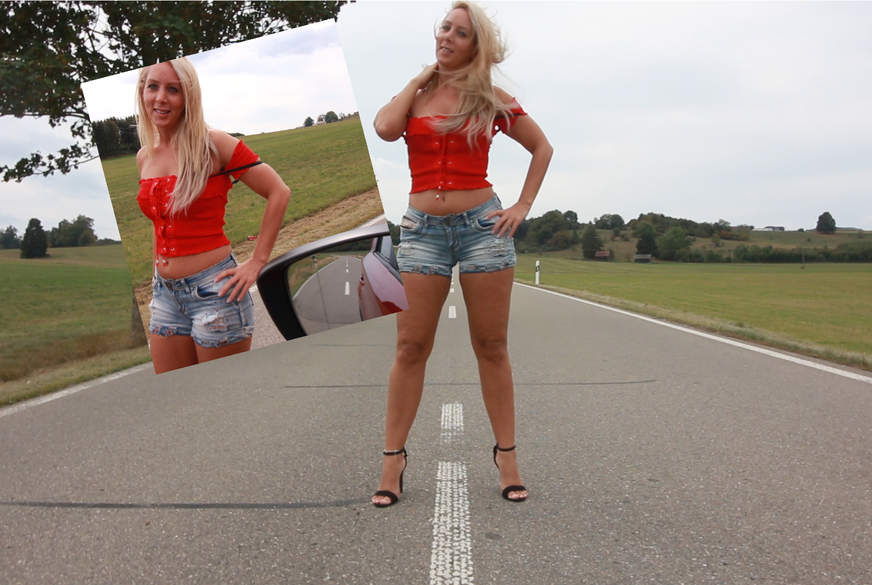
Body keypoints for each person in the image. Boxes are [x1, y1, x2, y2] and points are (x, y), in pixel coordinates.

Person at [370, 1, 553, 506]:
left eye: (461, 33)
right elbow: (385, 128)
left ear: (477, 46)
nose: (448, 36)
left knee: (491, 345)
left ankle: (507, 457)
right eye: (445, 28)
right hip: (422, 230)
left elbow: (542, 147)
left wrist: (522, 206)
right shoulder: (415, 97)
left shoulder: (490, 99)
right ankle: (393, 459)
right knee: (411, 347)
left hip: (482, 230)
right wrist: (421, 77)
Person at [135, 58, 290, 373]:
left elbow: (279, 191)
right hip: (165, 295)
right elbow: (159, 222)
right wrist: (156, 276)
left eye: (173, 89)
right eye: (153, 87)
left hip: (215, 292)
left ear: (188, 96)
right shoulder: (144, 156)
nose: (161, 98)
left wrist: (257, 261)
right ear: (142, 92)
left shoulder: (214, 144)